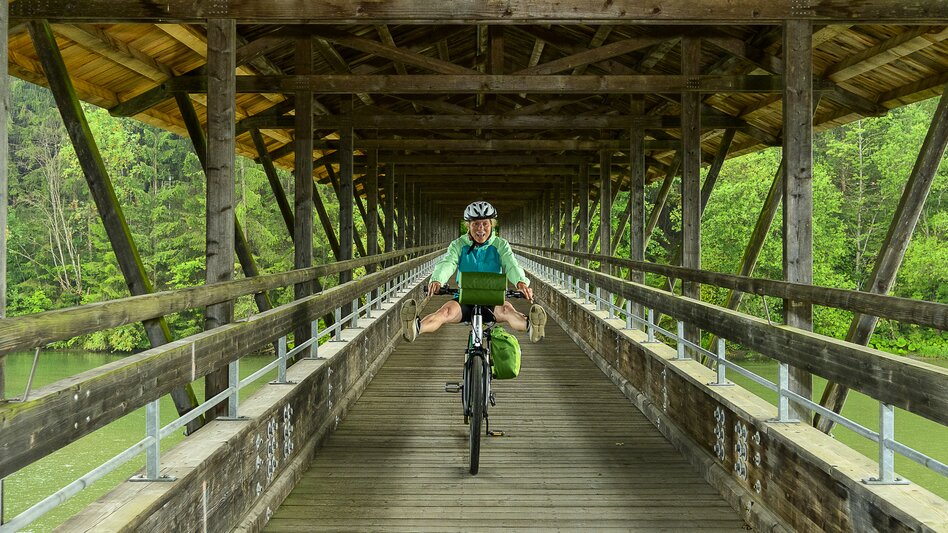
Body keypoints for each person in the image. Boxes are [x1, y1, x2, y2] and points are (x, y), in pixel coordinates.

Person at [401, 200, 547, 343]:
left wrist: (521, 282)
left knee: (508, 311)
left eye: (485, 223)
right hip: (466, 296)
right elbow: (448, 263)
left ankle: (533, 327)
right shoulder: (459, 244)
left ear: (492, 225)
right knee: (445, 312)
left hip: (493, 297)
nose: (480, 229)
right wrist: (437, 279)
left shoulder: (500, 245)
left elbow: (511, 264)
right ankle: (415, 327)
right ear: (468, 226)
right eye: (475, 224)